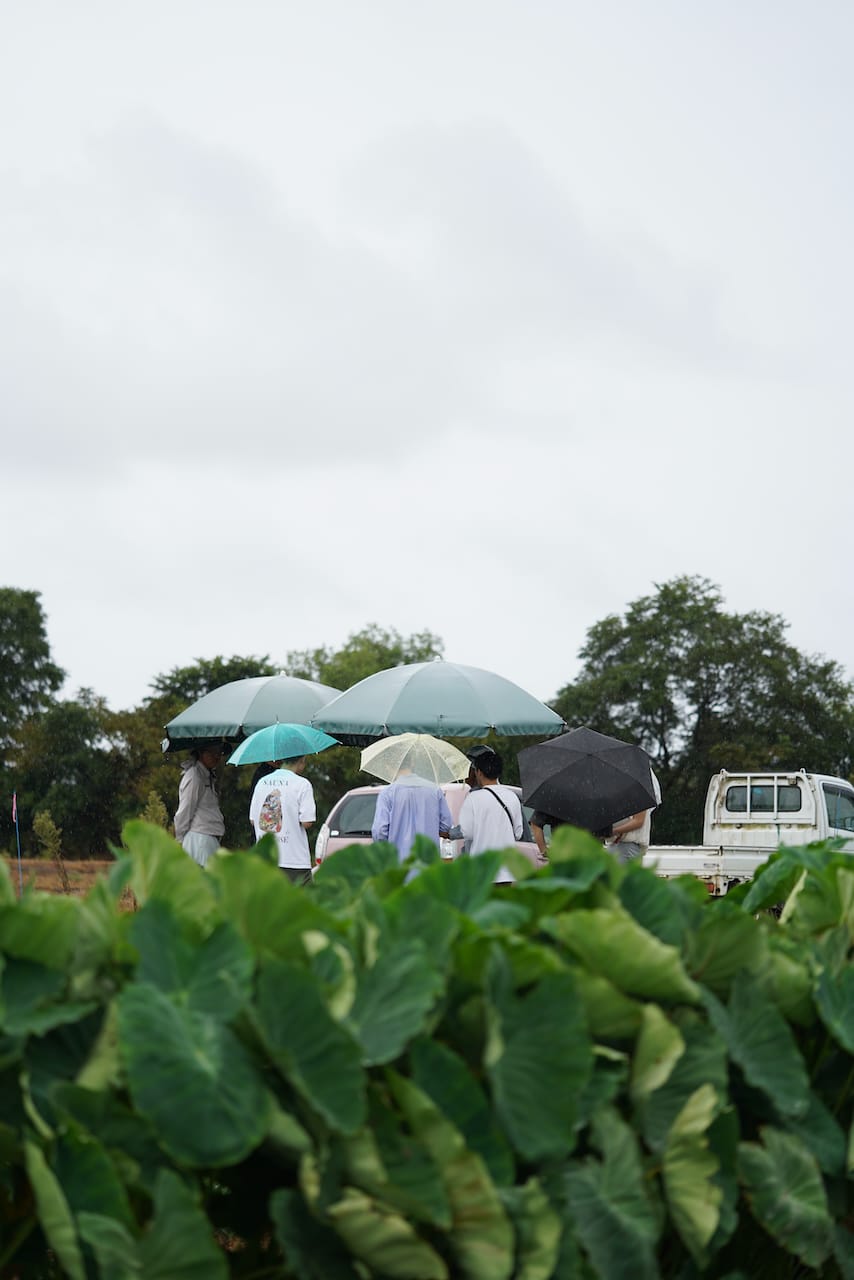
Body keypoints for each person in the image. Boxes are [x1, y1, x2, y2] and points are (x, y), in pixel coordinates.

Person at [249, 755, 316, 885]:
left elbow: (253, 820)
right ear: (302, 760)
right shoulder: (302, 784)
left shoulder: (262, 782)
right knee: (301, 903)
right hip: (294, 860)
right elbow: (307, 822)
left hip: (266, 859)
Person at [457, 747, 523, 877]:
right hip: (507, 870)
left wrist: (448, 833)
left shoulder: (473, 798)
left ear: (479, 772)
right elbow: (518, 833)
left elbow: (467, 832)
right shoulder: (512, 796)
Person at [371, 767, 454, 861]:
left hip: (399, 865)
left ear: (391, 767)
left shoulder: (387, 793)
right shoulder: (435, 790)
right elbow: (446, 825)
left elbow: (379, 832)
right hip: (428, 864)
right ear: (412, 763)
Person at [173, 741, 226, 867]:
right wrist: (180, 840)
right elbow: (185, 811)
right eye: (212, 752)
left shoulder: (206, 775)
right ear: (201, 753)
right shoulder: (194, 776)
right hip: (199, 839)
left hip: (208, 838)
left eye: (219, 753)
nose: (217, 756)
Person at [604, 770, 662, 863]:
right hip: (616, 846)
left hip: (627, 847)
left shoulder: (639, 789)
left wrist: (611, 831)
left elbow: (638, 821)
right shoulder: (624, 792)